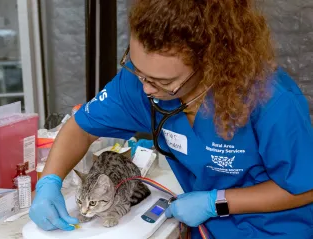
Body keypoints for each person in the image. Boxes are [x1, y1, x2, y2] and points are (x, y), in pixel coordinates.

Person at [29, 0, 313, 238]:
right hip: (207, 230)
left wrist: (216, 203)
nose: (146, 88)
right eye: (137, 68)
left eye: (163, 82)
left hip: (277, 230)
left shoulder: (272, 99)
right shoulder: (138, 83)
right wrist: (48, 183)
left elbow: (304, 188)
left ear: (211, 63)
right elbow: (80, 128)